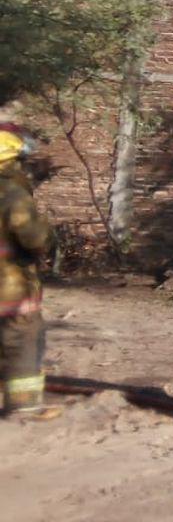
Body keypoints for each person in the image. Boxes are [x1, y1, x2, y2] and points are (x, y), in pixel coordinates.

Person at [0, 127, 58, 420]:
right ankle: (23, 406)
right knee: (21, 341)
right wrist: (48, 236)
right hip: (10, 290)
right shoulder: (12, 194)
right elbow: (34, 239)